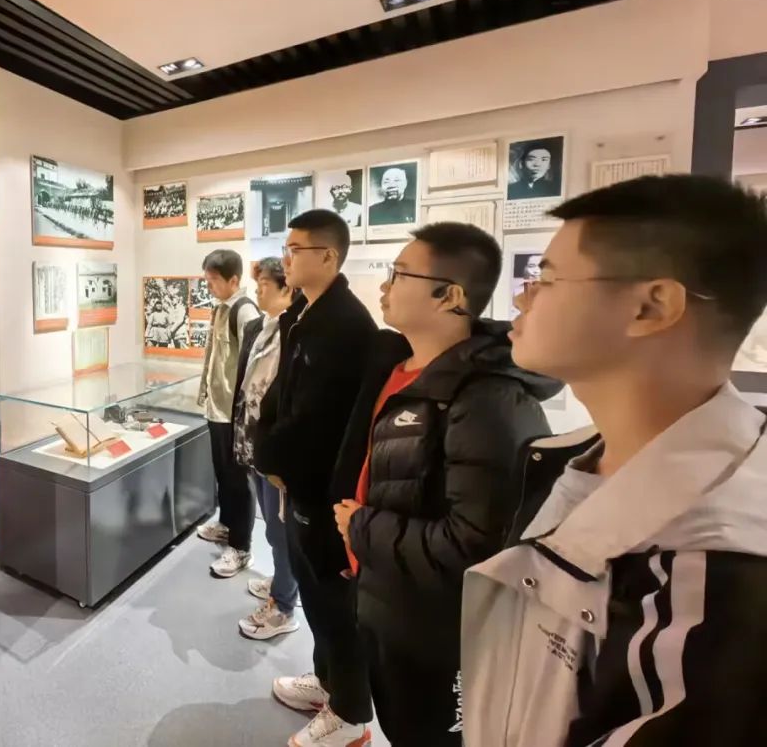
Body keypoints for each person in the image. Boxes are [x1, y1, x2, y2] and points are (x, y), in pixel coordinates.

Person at [460, 175, 767, 746]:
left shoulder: (715, 575)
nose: (523, 298)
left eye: (548, 277)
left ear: (651, 307)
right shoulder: (570, 460)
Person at [330, 223, 560, 746]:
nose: (385, 286)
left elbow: (478, 544)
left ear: (450, 296)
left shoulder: (487, 399)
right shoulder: (398, 366)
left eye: (400, 274)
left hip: (438, 626)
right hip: (389, 595)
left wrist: (362, 527)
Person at [254, 210, 377, 747]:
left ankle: (350, 715)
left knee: (333, 602)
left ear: (328, 256)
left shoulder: (344, 325)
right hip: (301, 484)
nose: (286, 258)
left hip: (325, 490)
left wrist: (273, 458)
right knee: (313, 590)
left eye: (295, 249)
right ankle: (328, 684)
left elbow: (318, 420)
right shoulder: (307, 313)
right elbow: (284, 399)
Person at [232, 258, 301, 641]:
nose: (257, 292)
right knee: (274, 530)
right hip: (257, 445)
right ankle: (282, 584)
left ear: (286, 288)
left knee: (280, 529)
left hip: (275, 451)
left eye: (264, 286)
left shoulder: (293, 332)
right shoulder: (265, 328)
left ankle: (283, 606)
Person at [195, 250, 261, 579]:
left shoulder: (244, 311)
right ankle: (226, 525)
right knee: (223, 474)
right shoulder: (220, 308)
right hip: (217, 409)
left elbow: (254, 364)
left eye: (214, 280)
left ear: (233, 280)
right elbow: (213, 358)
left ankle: (241, 546)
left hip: (233, 413)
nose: (209, 286)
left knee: (238, 480)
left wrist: (244, 414)